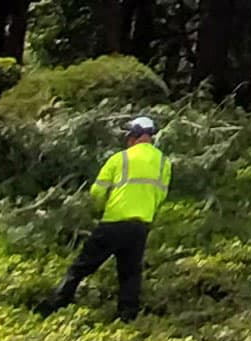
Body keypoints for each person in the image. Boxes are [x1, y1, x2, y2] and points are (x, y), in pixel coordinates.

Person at [44, 114, 172, 320]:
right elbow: (161, 195)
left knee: (81, 266)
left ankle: (57, 305)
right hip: (140, 227)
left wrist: (99, 209)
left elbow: (97, 192)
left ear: (134, 136)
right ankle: (127, 318)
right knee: (130, 274)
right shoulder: (164, 163)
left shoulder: (120, 158)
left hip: (113, 222)